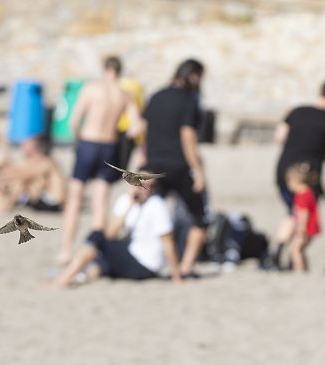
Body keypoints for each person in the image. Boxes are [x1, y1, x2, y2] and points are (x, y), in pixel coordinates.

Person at [58, 55, 141, 265]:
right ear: (119, 72)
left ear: (105, 69)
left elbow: (74, 121)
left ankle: (66, 250)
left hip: (88, 142)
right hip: (109, 146)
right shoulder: (124, 95)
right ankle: (96, 252)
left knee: (75, 198)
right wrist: (125, 137)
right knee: (100, 203)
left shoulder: (91, 89)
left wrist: (79, 139)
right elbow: (137, 126)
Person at [52, 173, 181, 287]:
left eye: (150, 186)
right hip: (131, 255)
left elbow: (168, 242)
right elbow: (111, 233)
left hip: (146, 266)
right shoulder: (126, 200)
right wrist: (131, 204)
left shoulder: (157, 205)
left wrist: (176, 276)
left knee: (97, 236)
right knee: (100, 254)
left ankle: (64, 279)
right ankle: (81, 276)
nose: (145, 189)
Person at [142, 58, 208, 277]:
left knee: (150, 213)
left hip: (153, 166)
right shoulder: (188, 101)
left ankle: (148, 259)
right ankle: (185, 266)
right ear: (193, 76)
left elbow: (144, 132)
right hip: (178, 166)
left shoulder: (156, 96)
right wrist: (198, 171)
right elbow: (188, 138)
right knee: (199, 216)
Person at [273, 79, 325, 260]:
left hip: (284, 169)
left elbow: (279, 137)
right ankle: (292, 253)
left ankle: (278, 251)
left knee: (292, 210)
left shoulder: (297, 111)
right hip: (308, 174)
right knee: (303, 214)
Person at [0, 136, 65, 214]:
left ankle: (3, 208)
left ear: (35, 148)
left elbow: (24, 175)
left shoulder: (46, 162)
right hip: (44, 200)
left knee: (22, 183)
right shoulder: (34, 161)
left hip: (54, 203)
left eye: (25, 145)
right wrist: (3, 176)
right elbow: (17, 170)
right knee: (21, 182)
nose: (22, 147)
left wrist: (4, 178)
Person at [279, 163, 321, 272]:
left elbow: (303, 214)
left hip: (306, 228)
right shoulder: (309, 192)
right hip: (311, 227)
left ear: (296, 181)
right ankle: (305, 269)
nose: (289, 186)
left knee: (295, 250)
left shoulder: (302, 195)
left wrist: (300, 228)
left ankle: (300, 270)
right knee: (300, 250)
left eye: (289, 182)